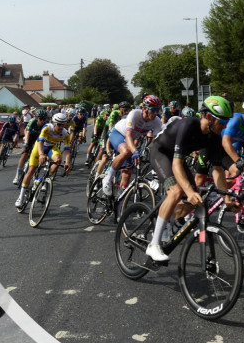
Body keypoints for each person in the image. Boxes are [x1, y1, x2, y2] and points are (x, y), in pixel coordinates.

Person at [143, 95, 235, 262]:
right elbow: (176, 165)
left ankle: (167, 218)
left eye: (226, 122)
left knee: (195, 197)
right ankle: (153, 244)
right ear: (208, 117)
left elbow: (218, 170)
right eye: (222, 122)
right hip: (161, 152)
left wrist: (227, 199)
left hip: (176, 158)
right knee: (177, 191)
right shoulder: (189, 125)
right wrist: (187, 191)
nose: (225, 126)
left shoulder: (214, 137)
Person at [100, 96, 163, 197]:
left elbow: (158, 142)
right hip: (118, 133)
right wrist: (135, 151)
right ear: (145, 108)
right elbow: (128, 135)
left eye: (158, 110)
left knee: (128, 171)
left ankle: (120, 200)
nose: (156, 113)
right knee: (127, 151)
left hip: (130, 140)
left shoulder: (156, 121)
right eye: (154, 110)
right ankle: (107, 178)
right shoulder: (134, 114)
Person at [15, 112, 72, 209]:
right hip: (39, 147)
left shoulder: (65, 134)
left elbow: (67, 151)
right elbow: (40, 142)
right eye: (59, 124)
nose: (61, 127)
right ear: (54, 123)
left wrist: (67, 163)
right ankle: (20, 197)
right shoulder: (46, 127)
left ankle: (44, 178)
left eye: (63, 124)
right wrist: (41, 154)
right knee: (31, 171)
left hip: (51, 147)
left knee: (58, 159)